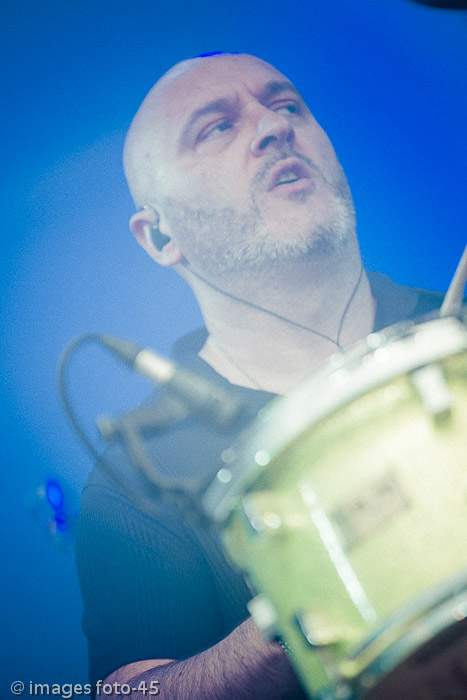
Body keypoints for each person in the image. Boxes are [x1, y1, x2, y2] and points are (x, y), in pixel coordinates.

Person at [75, 52, 451, 699]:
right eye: (217, 127)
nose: (275, 127)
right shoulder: (138, 476)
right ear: (159, 237)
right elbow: (126, 692)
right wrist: (304, 603)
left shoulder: (457, 328)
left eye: (286, 105)